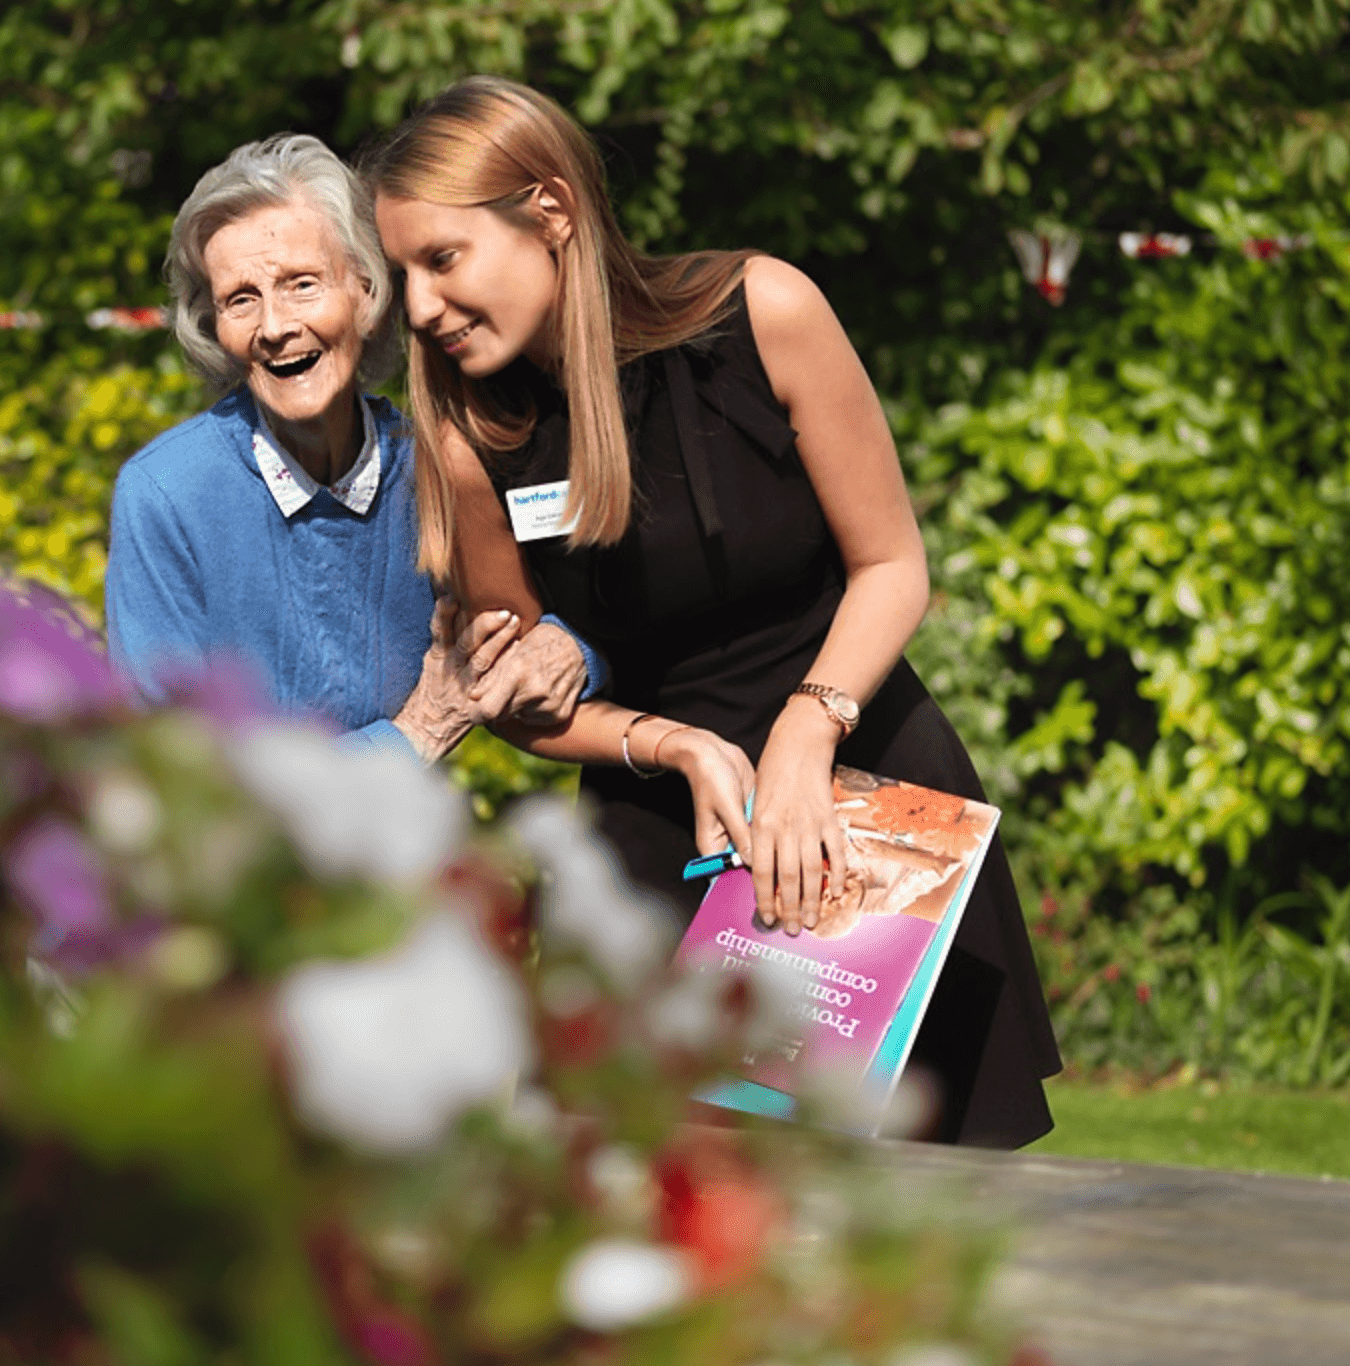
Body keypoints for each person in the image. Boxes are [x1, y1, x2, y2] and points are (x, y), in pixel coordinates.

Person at [365, 77, 1060, 1145]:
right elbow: (517, 700)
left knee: (940, 1224)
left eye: (441, 261)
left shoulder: (764, 311)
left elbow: (891, 565)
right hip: (656, 839)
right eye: (401, 274)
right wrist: (672, 744)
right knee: (653, 1228)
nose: (416, 308)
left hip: (874, 797)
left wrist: (803, 731)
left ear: (549, 213)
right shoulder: (470, 438)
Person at [104, 132, 603, 762]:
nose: (276, 326)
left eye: (302, 284)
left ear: (366, 292)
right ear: (215, 328)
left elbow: (570, 603)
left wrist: (571, 646)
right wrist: (415, 734)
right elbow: (173, 776)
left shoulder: (435, 465)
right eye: (241, 300)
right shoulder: (169, 495)